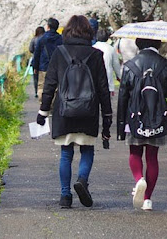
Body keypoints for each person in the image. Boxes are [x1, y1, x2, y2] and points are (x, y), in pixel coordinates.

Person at [37, 15, 112, 209]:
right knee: (87, 150)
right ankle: (82, 181)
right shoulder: (95, 55)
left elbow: (49, 85)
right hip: (88, 111)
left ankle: (65, 195)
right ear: (89, 32)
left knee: (66, 153)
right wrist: (107, 117)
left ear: (67, 31)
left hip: (64, 110)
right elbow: (103, 89)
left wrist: (43, 112)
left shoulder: (59, 53)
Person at [117, 38, 167, 211]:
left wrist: (121, 125)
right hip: (157, 117)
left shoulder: (130, 65)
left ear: (138, 44)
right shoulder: (165, 65)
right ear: (158, 44)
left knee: (135, 152)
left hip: (135, 117)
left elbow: (123, 97)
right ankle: (148, 199)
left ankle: (138, 179)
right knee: (152, 157)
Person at [33, 18, 62, 100]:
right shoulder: (61, 39)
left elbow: (37, 54)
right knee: (55, 88)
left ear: (48, 27)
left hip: (44, 67)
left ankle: (43, 105)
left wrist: (36, 67)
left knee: (42, 86)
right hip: (57, 68)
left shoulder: (41, 39)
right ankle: (52, 106)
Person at [93, 29, 121, 96]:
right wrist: (119, 76)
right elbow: (116, 65)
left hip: (94, 82)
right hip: (108, 82)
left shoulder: (93, 48)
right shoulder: (111, 49)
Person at [29, 26, 45, 98]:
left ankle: (37, 92)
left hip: (35, 60)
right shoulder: (45, 39)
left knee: (36, 78)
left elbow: (31, 49)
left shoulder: (34, 39)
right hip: (44, 61)